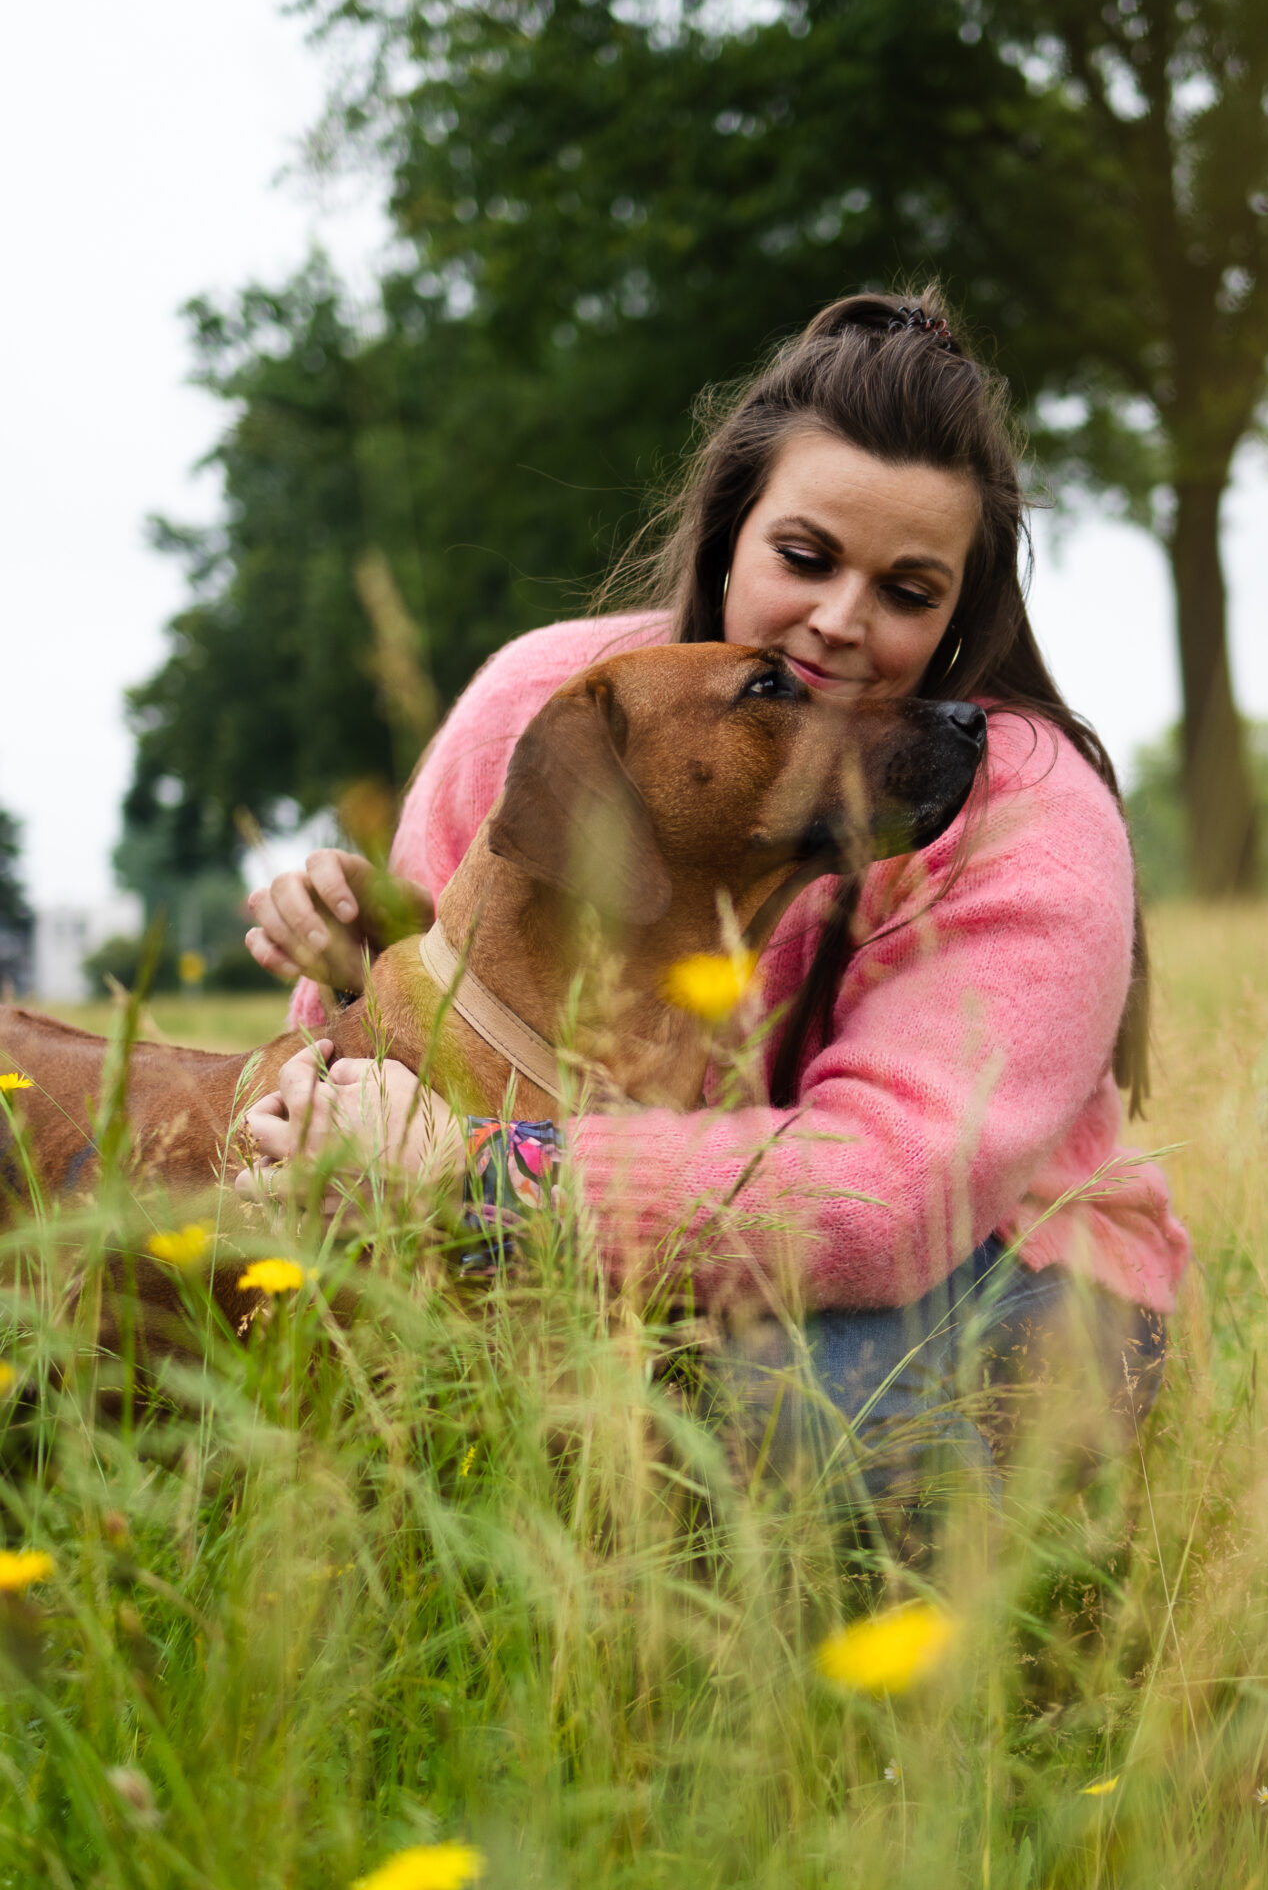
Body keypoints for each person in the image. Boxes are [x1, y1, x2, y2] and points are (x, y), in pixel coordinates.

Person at [238, 290, 1189, 1509]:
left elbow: (888, 1195)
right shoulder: (554, 701)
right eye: (803, 558)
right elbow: (382, 1080)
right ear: (729, 534)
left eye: (907, 590)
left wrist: (488, 1180)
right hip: (627, 1261)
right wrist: (345, 970)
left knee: (791, 1422)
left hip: (994, 1270)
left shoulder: (1022, 812)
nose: (838, 624)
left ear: (961, 610)